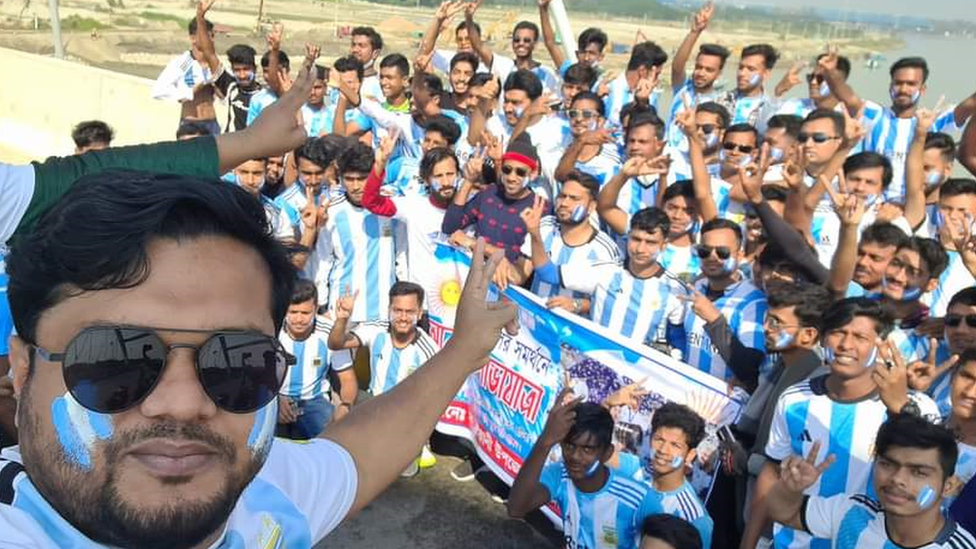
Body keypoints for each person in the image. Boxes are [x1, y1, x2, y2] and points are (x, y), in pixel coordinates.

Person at [1, 153, 518, 548]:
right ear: (21, 369)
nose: (184, 403)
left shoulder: (261, 499)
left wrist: (465, 349)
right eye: (115, 358)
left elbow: (357, 454)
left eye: (236, 360)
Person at [757, 298, 940, 549]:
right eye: (837, 333)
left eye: (860, 337)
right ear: (822, 339)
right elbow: (771, 473)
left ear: (882, 346)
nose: (845, 345)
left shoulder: (919, 408)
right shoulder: (793, 399)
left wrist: (900, 409)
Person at [765, 414, 975, 549]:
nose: (897, 479)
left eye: (919, 472)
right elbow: (785, 512)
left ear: (948, 486)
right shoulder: (852, 512)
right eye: (888, 464)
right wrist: (789, 488)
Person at [737, 282, 831, 549]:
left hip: (777, 528)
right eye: (768, 319)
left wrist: (746, 459)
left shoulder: (812, 386)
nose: (766, 328)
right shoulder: (782, 367)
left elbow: (780, 465)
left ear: (809, 334)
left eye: (777, 323)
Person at [507, 396, 662, 549]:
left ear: (607, 453)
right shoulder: (560, 475)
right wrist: (545, 442)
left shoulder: (640, 499)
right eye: (569, 446)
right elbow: (516, 509)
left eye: (587, 449)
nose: (575, 456)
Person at [527, 206, 687, 350]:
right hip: (591, 366)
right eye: (636, 239)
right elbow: (548, 274)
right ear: (628, 236)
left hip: (636, 377)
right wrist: (535, 234)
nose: (640, 249)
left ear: (664, 245)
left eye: (650, 243)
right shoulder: (606, 271)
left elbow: (677, 344)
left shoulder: (675, 290)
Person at [821, 53, 976, 200]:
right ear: (890, 86)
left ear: (922, 89)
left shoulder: (933, 120)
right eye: (898, 83)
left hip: (914, 206)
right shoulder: (874, 115)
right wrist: (830, 73)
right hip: (872, 203)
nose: (903, 89)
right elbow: (846, 95)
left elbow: (970, 104)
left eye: (911, 84)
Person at [328, 281, 440, 476]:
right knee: (339, 429)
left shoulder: (429, 351)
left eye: (410, 311)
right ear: (389, 310)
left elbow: (433, 402)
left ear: (420, 313)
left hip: (405, 420)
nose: (403, 317)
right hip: (373, 405)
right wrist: (342, 319)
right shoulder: (376, 329)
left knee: (402, 471)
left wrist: (419, 434)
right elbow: (336, 344)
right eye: (397, 310)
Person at [311, 142, 405, 320]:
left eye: (362, 178)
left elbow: (401, 255)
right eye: (349, 179)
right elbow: (323, 261)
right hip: (342, 313)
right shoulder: (331, 211)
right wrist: (322, 306)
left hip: (385, 311)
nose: (355, 186)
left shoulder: (392, 206)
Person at [513, 170, 619, 309]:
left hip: (569, 328)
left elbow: (610, 301)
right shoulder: (544, 226)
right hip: (533, 321)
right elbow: (520, 274)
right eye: (562, 196)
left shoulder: (605, 249)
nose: (564, 203)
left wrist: (577, 305)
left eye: (574, 198)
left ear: (592, 206)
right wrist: (503, 268)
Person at [681, 218, 767, 385]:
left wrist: (715, 320)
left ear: (740, 254)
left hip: (724, 405)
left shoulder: (754, 300)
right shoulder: (696, 288)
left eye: (722, 252)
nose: (712, 257)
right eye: (705, 251)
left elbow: (750, 367)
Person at [442, 134, 545, 262]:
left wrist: (474, 244)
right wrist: (469, 181)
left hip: (508, 280)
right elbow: (449, 227)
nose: (512, 178)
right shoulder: (489, 193)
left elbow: (523, 262)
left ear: (533, 174)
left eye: (520, 172)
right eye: (507, 170)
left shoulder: (541, 208)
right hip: (473, 270)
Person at [276, 279, 357, 440]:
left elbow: (348, 379)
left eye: (305, 313)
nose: (299, 319)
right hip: (274, 398)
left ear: (316, 308)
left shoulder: (330, 334)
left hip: (314, 401)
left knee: (334, 441)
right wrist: (275, 399)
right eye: (293, 312)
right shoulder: (271, 328)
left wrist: (345, 407)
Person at [638, 403, 713, 549]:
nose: (663, 450)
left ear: (690, 455)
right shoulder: (631, 470)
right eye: (659, 439)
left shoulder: (696, 519)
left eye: (675, 445)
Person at [151, 9, 219, 134]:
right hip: (191, 125)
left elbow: (228, 92)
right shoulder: (183, 63)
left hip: (212, 124)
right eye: (205, 36)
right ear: (193, 38)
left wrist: (216, 86)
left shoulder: (215, 63)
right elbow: (158, 90)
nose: (210, 40)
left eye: (212, 36)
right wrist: (191, 91)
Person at [554, 91, 623, 187]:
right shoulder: (557, 149)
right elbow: (561, 177)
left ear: (600, 121)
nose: (578, 119)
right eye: (573, 113)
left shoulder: (613, 159)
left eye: (586, 114)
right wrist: (580, 141)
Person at [604, 42, 669, 128]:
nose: (656, 81)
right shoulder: (608, 88)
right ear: (642, 71)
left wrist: (643, 102)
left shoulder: (651, 96)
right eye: (656, 75)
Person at [715, 44, 778, 127]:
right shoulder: (721, 100)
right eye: (741, 68)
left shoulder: (769, 108)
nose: (742, 73)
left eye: (751, 69)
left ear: (766, 74)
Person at [213, 44, 263, 132]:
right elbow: (209, 54)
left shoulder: (265, 96)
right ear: (232, 70)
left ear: (255, 69)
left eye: (246, 69)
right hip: (230, 144)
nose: (242, 75)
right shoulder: (230, 87)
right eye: (237, 70)